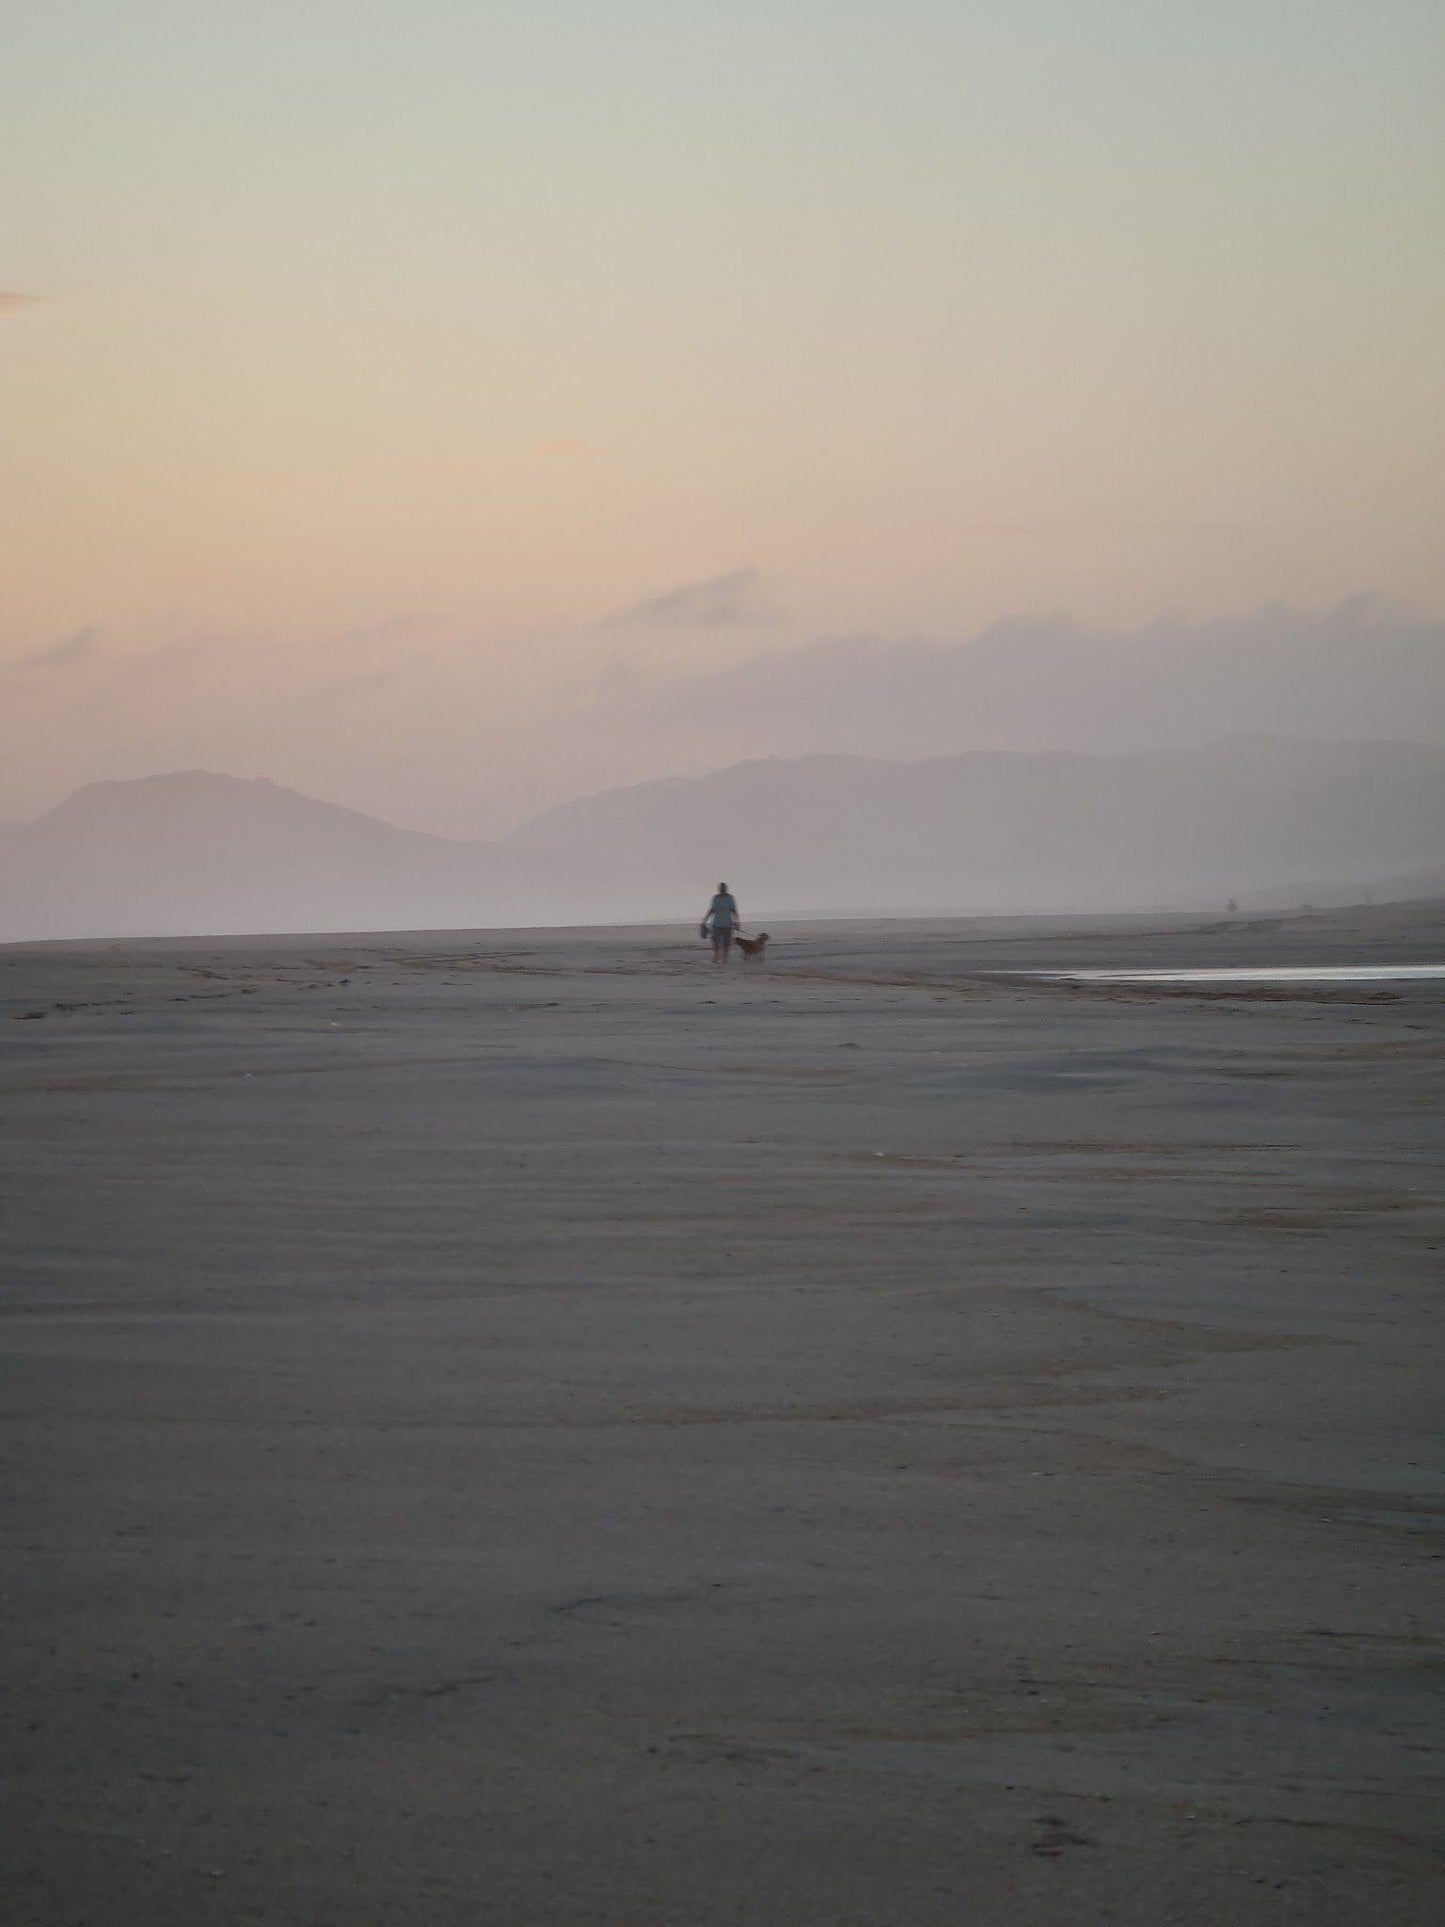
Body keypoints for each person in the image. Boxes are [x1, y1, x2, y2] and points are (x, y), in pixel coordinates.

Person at [702, 881, 740, 964]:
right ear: (719, 889)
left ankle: (725, 958)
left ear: (726, 889)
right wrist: (705, 919)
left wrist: (737, 921)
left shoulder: (730, 898)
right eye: (721, 889)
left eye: (724, 889)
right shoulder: (715, 898)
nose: (722, 890)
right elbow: (712, 910)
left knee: (726, 942)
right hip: (716, 923)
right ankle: (716, 955)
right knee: (715, 940)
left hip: (727, 923)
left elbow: (733, 910)